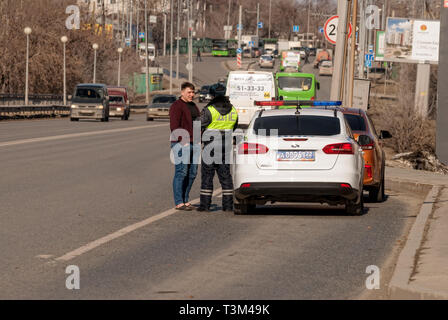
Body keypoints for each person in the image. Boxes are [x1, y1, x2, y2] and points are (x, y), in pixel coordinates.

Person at [197, 95, 238, 212]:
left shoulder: (210, 110)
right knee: (226, 178)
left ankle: (205, 206)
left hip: (210, 147)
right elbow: (234, 127)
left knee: (207, 177)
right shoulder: (233, 111)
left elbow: (198, 124)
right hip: (225, 147)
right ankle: (228, 206)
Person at [169, 82, 200, 211]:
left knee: (192, 173)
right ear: (182, 92)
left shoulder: (193, 106)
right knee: (181, 172)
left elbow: (198, 123)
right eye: (189, 92)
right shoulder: (177, 106)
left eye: (193, 92)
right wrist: (183, 141)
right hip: (182, 143)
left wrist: (198, 139)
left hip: (195, 143)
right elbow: (174, 126)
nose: (191, 94)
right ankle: (179, 201)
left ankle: (186, 199)